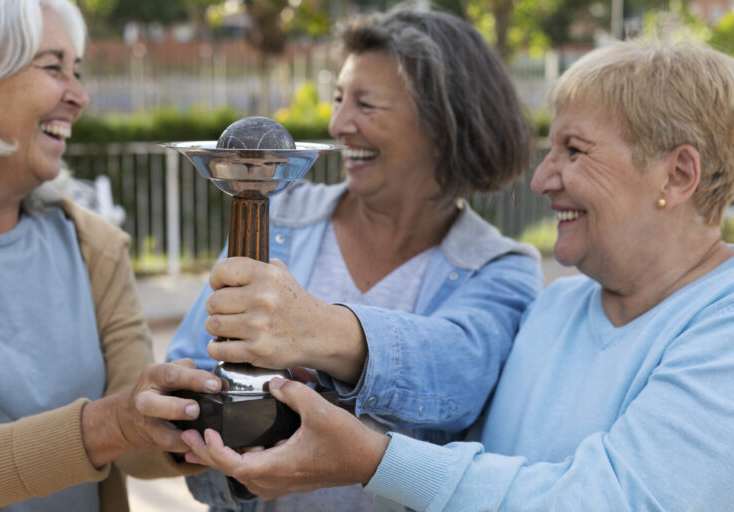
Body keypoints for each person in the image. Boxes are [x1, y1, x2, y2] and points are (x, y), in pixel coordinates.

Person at [180, 38, 734, 511]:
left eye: (574, 151)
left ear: (679, 174)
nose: (542, 180)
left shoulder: (721, 323)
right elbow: (464, 463)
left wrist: (373, 460)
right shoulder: (559, 306)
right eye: (550, 149)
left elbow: (607, 500)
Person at [167, 5, 543, 511]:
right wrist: (208, 438)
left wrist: (317, 330)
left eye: (365, 105)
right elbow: (189, 367)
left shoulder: (500, 267)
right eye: (339, 98)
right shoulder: (279, 219)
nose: (339, 123)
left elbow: (461, 377)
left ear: (444, 123)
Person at [0, 1, 222, 510]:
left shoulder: (95, 247)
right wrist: (103, 425)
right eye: (53, 67)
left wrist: (211, 415)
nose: (79, 96)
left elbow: (134, 444)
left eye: (77, 72)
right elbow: (114, 427)